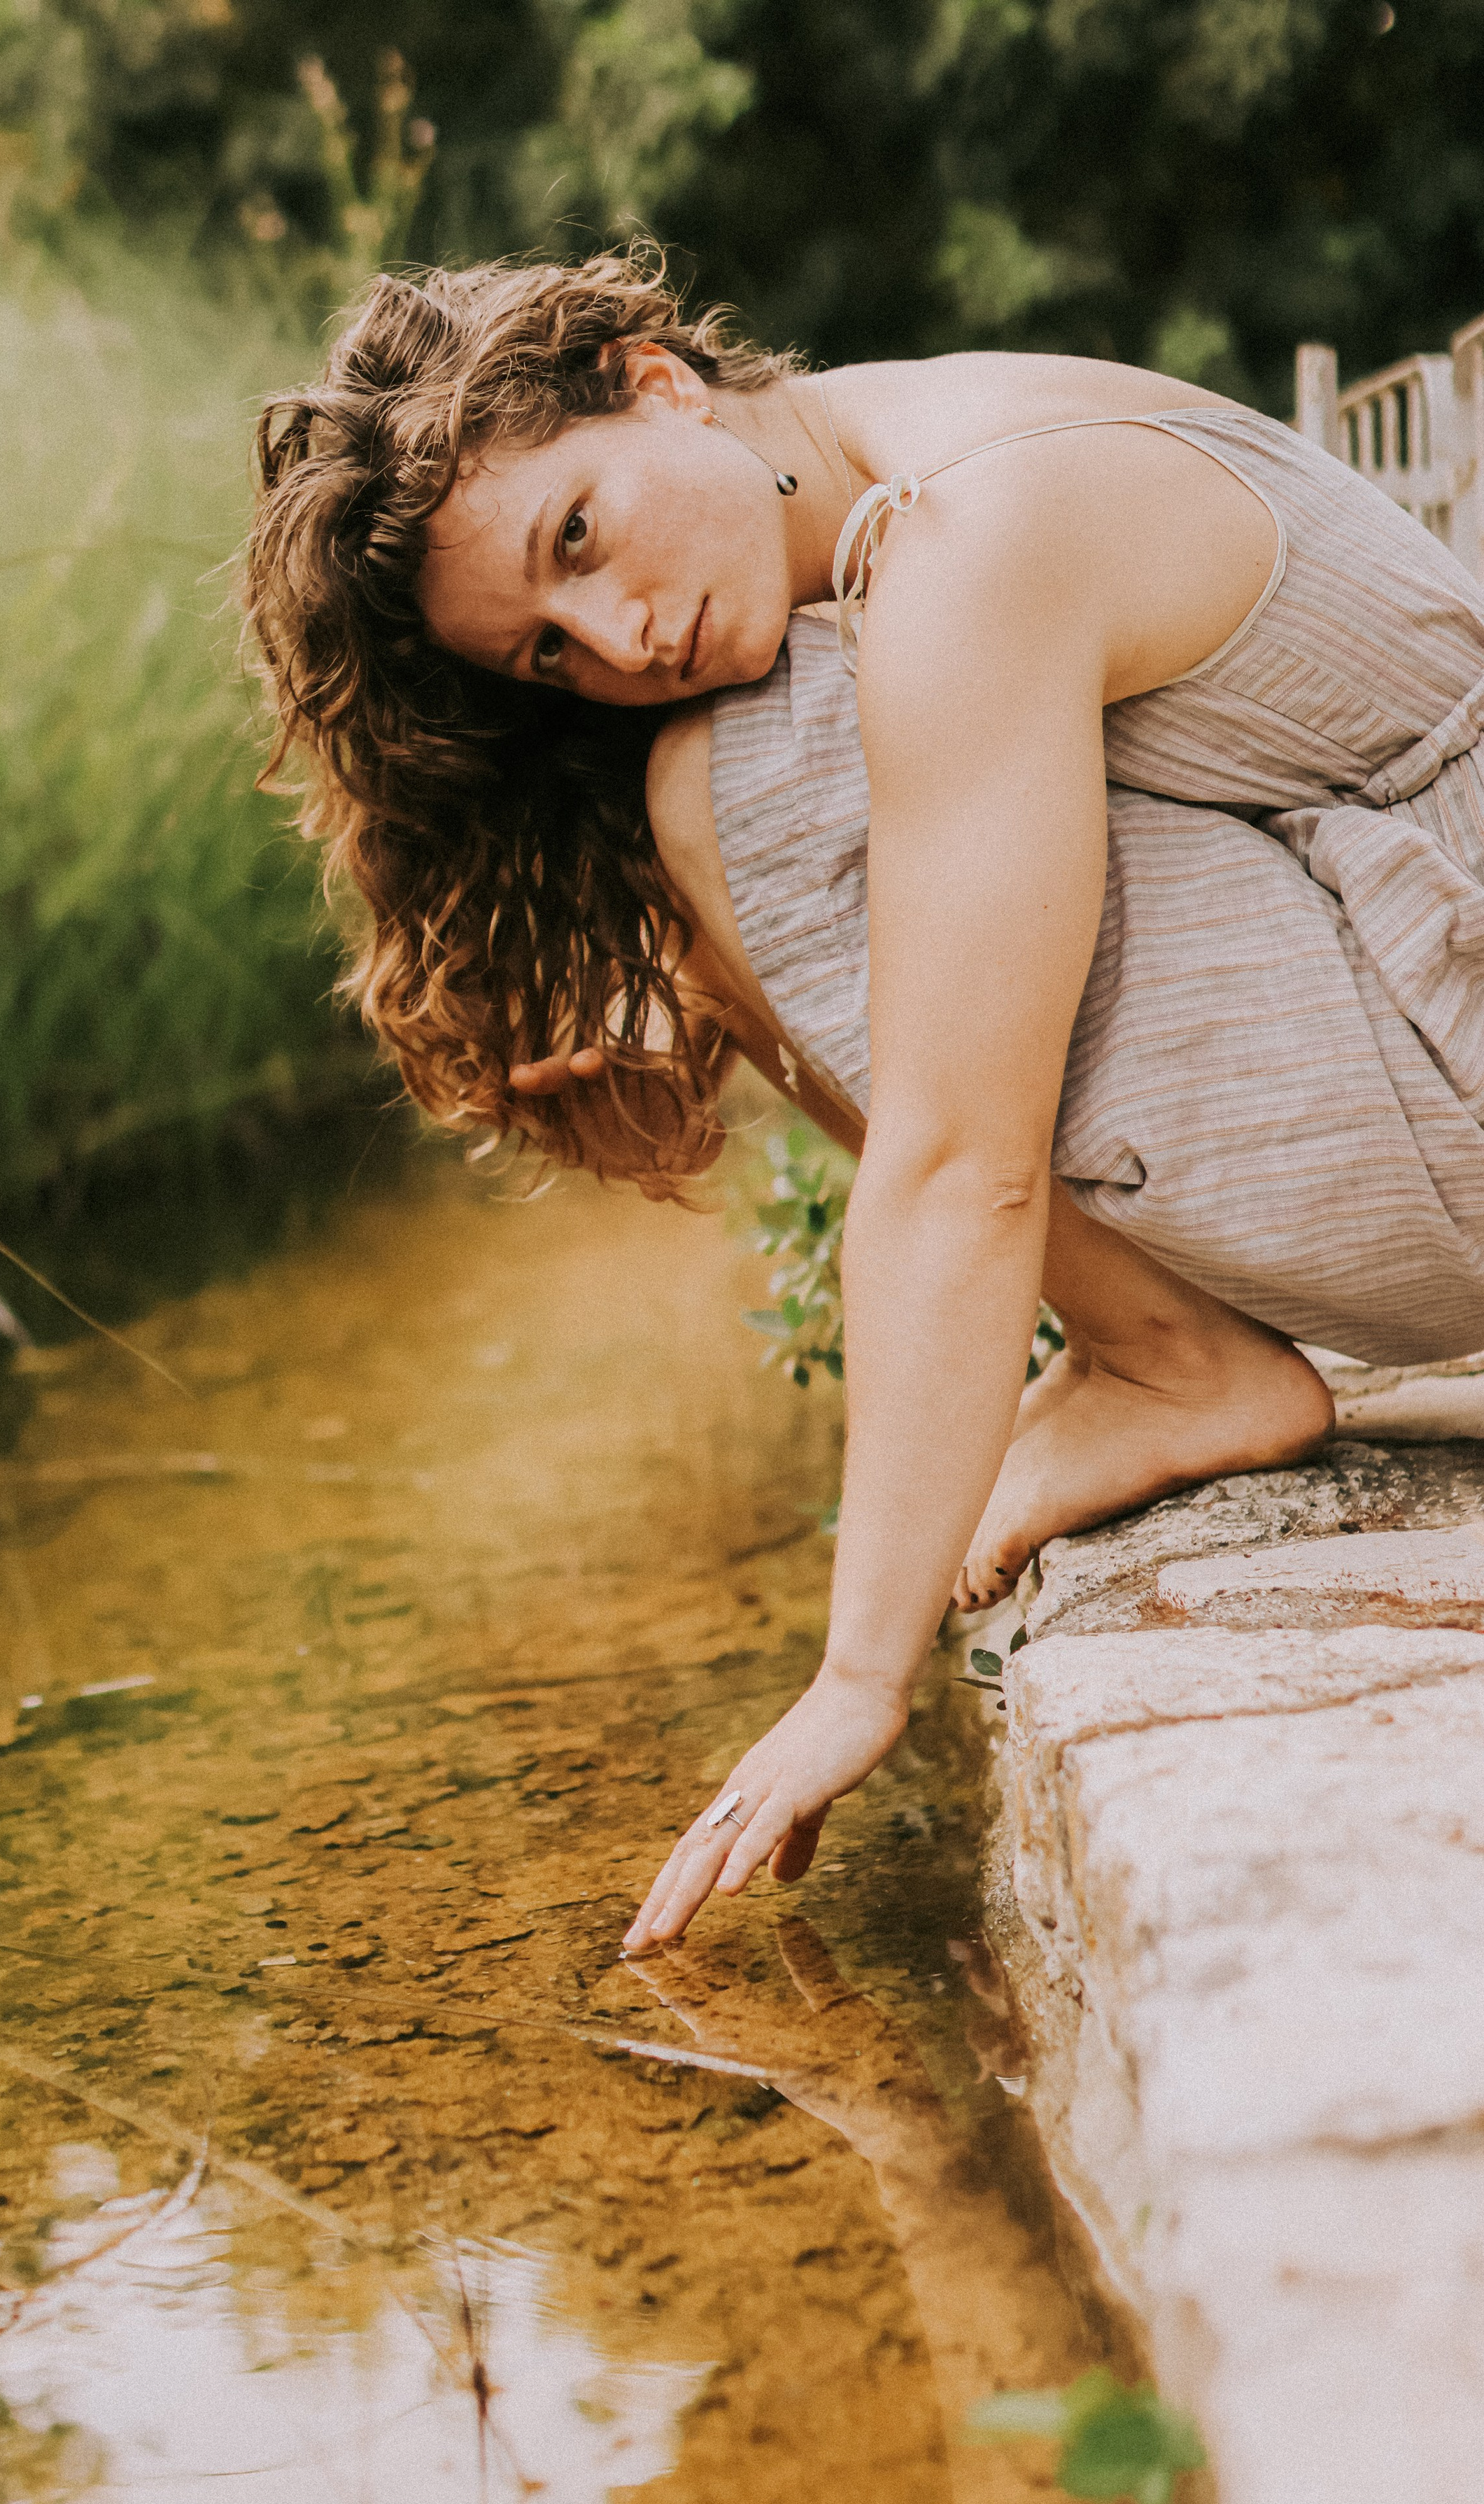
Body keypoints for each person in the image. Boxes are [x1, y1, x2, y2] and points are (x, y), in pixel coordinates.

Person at [243, 245, 1484, 1953]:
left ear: (654, 378)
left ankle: (1172, 1365)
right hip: (1432, 1018)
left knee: (723, 780)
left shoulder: (967, 544)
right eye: (544, 655)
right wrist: (704, 988)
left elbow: (961, 1162)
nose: (616, 639)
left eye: (576, 536)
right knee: (726, 778)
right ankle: (1151, 1358)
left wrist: (854, 1676)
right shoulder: (919, 449)